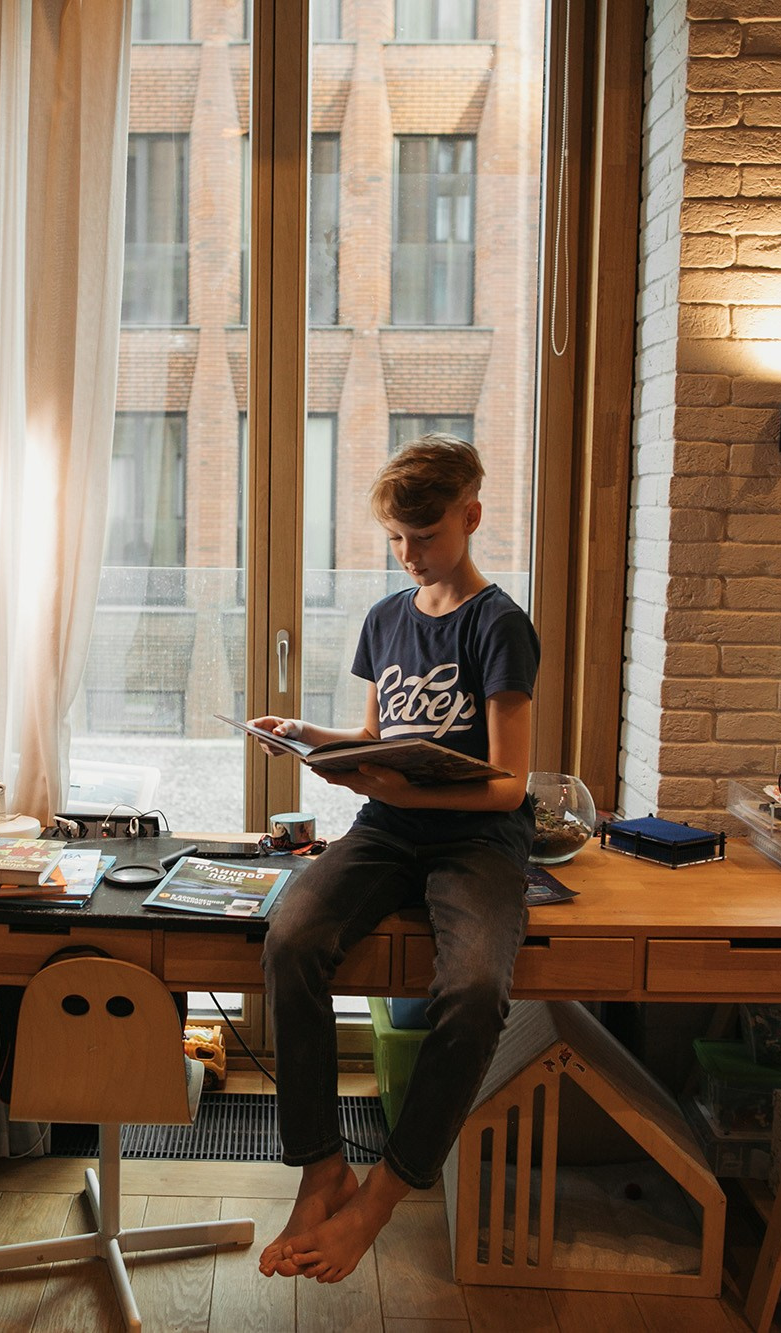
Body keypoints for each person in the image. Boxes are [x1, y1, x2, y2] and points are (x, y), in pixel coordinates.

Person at [246, 433, 540, 1283]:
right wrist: (308, 735)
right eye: (398, 539)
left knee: (476, 990)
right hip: (388, 826)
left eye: (428, 537)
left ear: (471, 517)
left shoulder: (501, 626)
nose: (411, 555)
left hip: (478, 840)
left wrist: (410, 794)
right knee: (291, 937)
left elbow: (512, 785)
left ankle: (380, 1196)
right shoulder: (384, 620)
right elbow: (378, 739)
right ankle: (320, 1166)